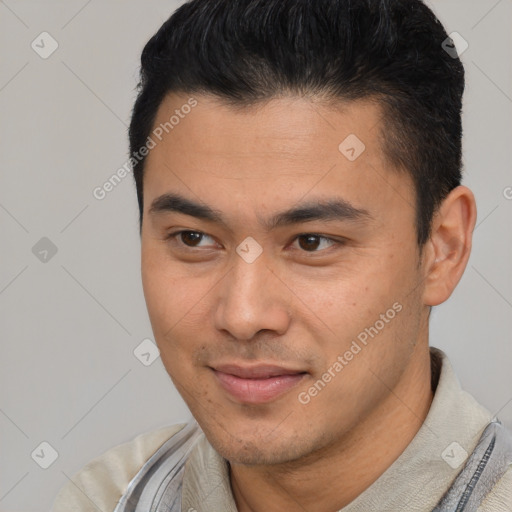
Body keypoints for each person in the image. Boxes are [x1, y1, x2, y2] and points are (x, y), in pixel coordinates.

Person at [51, 0, 512, 510]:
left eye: (312, 242)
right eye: (193, 238)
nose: (243, 316)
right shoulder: (103, 498)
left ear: (443, 248)